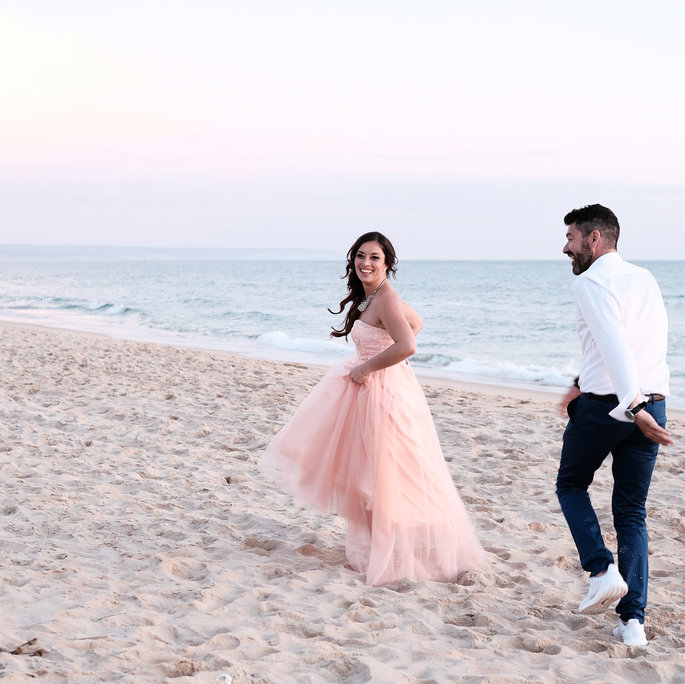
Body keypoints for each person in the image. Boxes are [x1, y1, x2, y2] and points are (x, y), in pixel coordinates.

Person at [261, 231, 486, 586]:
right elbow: (417, 322)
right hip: (368, 387)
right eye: (361, 256)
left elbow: (408, 343)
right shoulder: (372, 298)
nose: (366, 263)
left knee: (384, 474)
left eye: (374, 258)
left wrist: (367, 367)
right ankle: (376, 550)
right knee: (365, 472)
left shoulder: (386, 299)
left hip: (383, 391)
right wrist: (373, 362)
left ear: (387, 264)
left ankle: (394, 554)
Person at [556, 204, 673, 647]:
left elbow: (616, 346)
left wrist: (633, 406)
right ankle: (633, 623)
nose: (564, 247)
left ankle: (602, 570)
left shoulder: (591, 281)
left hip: (612, 407)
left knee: (570, 485)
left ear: (594, 239)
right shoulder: (645, 278)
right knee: (631, 511)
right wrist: (645, 404)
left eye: (570, 238)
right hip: (653, 402)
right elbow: (645, 345)